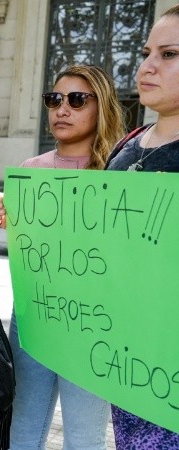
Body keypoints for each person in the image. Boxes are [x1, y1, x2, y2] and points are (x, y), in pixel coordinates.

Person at [0, 64, 125, 449]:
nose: (62, 109)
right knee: (22, 430)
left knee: (85, 437)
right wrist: (9, 218)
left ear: (102, 106)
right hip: (35, 318)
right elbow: (32, 257)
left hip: (95, 325)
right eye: (54, 99)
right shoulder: (30, 172)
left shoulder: (119, 175)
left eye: (77, 100)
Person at [98, 6, 179, 447]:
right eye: (147, 52)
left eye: (169, 54)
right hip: (130, 363)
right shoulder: (126, 147)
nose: (146, 66)